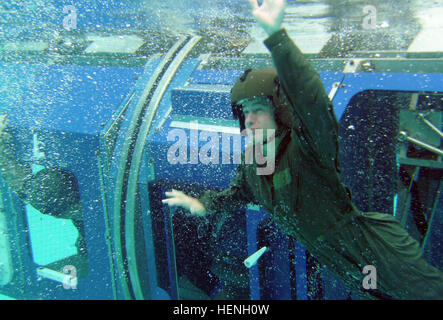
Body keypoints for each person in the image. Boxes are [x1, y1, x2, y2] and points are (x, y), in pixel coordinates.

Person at [162, 0, 443, 299]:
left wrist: (278, 38)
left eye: (259, 108)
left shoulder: (307, 148)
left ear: (279, 111)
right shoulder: (253, 161)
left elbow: (312, 102)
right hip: (344, 262)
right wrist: (203, 204)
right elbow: (239, 194)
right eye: (245, 112)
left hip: (375, 248)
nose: (250, 119)